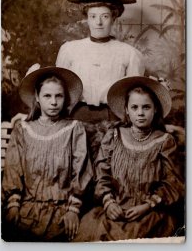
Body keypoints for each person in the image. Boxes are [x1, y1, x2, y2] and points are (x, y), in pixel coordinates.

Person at [74, 76, 184, 241]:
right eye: (134, 107)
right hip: (114, 210)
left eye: (146, 107)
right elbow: (101, 175)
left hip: (149, 214)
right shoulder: (113, 136)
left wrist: (147, 205)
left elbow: (172, 183)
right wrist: (108, 202)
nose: (140, 113)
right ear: (126, 110)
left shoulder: (164, 141)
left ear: (155, 109)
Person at [1, 66, 93, 242]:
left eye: (59, 96)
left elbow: (81, 171)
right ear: (37, 97)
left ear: (65, 98)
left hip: (63, 210)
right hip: (27, 208)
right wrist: (13, 205)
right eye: (47, 96)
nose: (53, 102)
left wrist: (73, 210)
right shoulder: (23, 130)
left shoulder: (74, 129)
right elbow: (13, 169)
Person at [56, 0, 145, 122]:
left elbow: (135, 96)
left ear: (114, 18)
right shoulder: (69, 50)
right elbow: (58, 88)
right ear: (87, 18)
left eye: (105, 16)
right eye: (93, 16)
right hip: (76, 116)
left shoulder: (129, 53)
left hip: (113, 116)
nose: (98, 22)